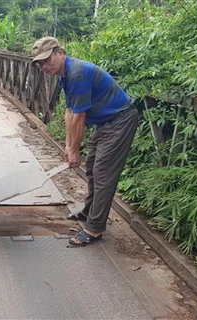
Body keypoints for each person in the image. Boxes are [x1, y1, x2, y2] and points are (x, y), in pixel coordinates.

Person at [32, 37, 139, 246]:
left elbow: (80, 118)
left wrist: (74, 150)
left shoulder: (77, 73)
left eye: (47, 60)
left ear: (60, 52)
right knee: (91, 167)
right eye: (40, 64)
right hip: (105, 123)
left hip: (120, 120)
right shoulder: (65, 75)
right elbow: (70, 111)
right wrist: (69, 146)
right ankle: (89, 211)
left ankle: (94, 229)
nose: (45, 66)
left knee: (103, 174)